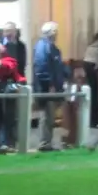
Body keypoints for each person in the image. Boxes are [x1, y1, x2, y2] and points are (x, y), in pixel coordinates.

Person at [33, 21, 68, 151]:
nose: (56, 34)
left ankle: (47, 142)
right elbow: (41, 68)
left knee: (50, 116)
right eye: (55, 32)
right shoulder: (43, 47)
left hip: (53, 86)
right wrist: (50, 84)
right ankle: (44, 143)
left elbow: (58, 66)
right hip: (46, 87)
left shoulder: (52, 47)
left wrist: (67, 73)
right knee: (46, 116)